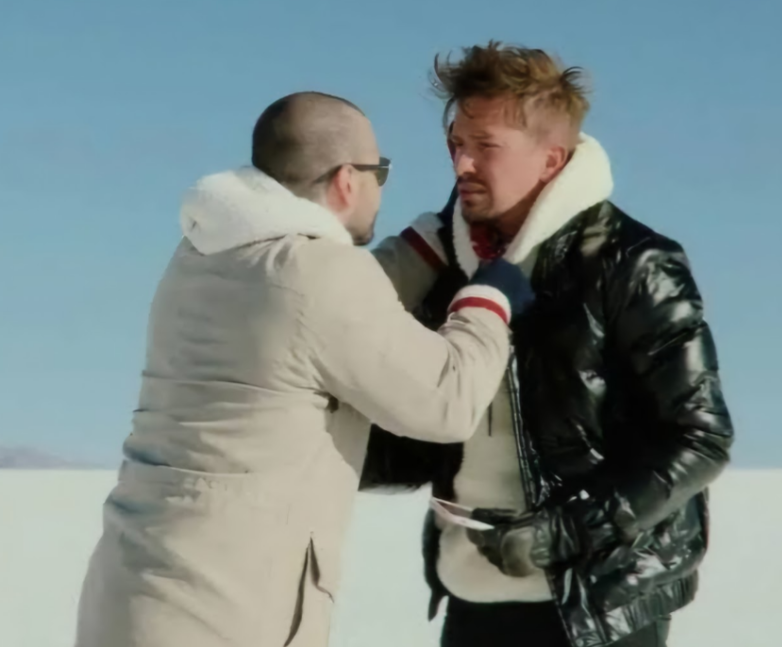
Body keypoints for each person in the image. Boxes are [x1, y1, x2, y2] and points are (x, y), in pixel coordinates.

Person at [74, 91, 533, 647]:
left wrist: (424, 246)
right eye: (380, 172)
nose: (382, 187)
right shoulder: (317, 275)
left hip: (131, 596)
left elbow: (324, 314)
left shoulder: (202, 255)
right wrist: (487, 300)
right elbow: (448, 401)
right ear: (346, 181)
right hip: (224, 614)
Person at [363, 43, 735, 647]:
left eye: (486, 147)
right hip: (472, 593)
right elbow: (426, 440)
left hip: (599, 604)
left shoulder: (634, 263)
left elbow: (700, 437)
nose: (462, 164)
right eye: (456, 144)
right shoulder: (443, 265)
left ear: (550, 159)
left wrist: (561, 534)